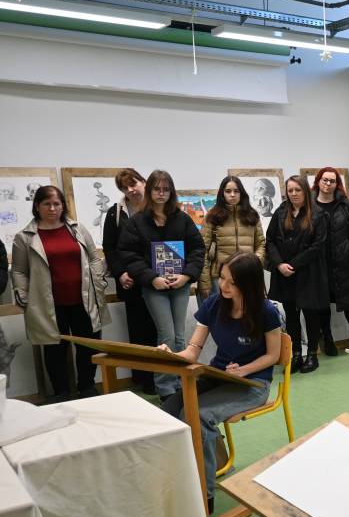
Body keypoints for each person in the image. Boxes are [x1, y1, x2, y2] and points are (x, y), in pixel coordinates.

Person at [160, 252, 281, 514]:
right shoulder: (215, 304)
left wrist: (244, 370)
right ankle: (182, 475)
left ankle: (205, 493)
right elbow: (192, 351)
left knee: (197, 415)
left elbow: (274, 355)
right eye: (222, 278)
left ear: (248, 284)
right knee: (168, 411)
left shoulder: (267, 311)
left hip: (253, 385)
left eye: (232, 282)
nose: (223, 286)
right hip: (218, 376)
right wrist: (169, 356)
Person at [11, 185, 110, 401]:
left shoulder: (78, 229)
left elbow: (94, 258)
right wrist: (23, 296)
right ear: (37, 206)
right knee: (54, 350)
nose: (52, 208)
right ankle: (61, 393)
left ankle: (87, 388)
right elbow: (18, 270)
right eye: (47, 204)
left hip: (83, 301)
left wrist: (99, 282)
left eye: (57, 204)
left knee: (88, 346)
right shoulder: (25, 237)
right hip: (47, 304)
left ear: (63, 206)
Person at [118, 170, 205, 399]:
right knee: (166, 335)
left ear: (171, 192)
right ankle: (166, 387)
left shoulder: (183, 219)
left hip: (180, 285)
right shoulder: (137, 221)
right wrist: (151, 278)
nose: (161, 193)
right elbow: (129, 255)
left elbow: (197, 249)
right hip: (153, 287)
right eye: (157, 189)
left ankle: (181, 382)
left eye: (166, 189)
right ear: (150, 191)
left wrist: (186, 276)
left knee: (179, 336)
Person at [102, 167, 157, 394]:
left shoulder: (158, 206)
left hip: (158, 280)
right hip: (131, 282)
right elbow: (110, 248)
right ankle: (143, 379)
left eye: (133, 184)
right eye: (125, 188)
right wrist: (120, 273)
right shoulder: (115, 213)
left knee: (161, 330)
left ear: (143, 181)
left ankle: (164, 378)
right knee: (138, 331)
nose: (130, 190)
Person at [267, 176, 328, 374]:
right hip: (284, 274)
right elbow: (270, 240)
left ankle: (312, 355)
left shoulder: (318, 214)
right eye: (290, 190)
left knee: (311, 314)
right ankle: (296, 354)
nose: (293, 194)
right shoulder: (280, 212)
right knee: (291, 315)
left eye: (297, 190)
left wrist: (292, 265)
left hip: (308, 272)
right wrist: (279, 264)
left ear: (305, 191)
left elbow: (317, 245)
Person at [313, 167, 349, 356]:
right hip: (319, 265)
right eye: (325, 180)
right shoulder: (310, 205)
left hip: (343, 262)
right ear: (318, 181)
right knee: (322, 304)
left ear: (337, 184)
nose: (328, 184)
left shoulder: (344, 204)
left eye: (332, 181)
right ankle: (328, 340)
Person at [197, 176, 265, 303]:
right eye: (228, 191)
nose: (232, 195)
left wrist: (255, 263)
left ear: (241, 193)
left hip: (247, 275)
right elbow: (202, 250)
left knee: (246, 311)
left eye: (236, 191)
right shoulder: (212, 216)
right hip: (220, 277)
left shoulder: (252, 215)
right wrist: (205, 282)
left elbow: (261, 244)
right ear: (222, 193)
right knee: (221, 313)